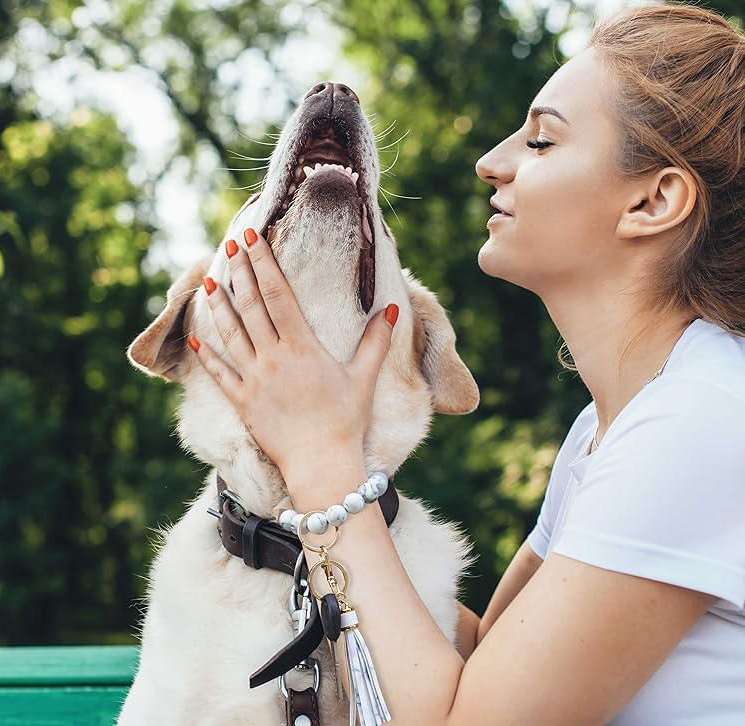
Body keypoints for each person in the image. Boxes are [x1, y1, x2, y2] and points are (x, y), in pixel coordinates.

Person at [185, 3, 745, 723]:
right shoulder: (613, 426)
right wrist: (259, 548)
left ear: (653, 200)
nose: (492, 161)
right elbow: (482, 663)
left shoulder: (696, 425)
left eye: (541, 141)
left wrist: (324, 458)